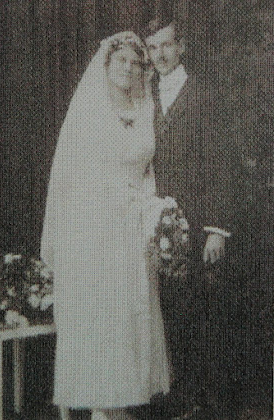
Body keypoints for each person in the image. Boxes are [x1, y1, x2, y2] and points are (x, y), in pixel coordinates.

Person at [41, 32, 170, 420]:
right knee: (102, 315)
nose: (128, 69)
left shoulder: (145, 105)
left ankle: (120, 404)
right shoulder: (90, 109)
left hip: (134, 226)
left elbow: (147, 169)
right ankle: (101, 407)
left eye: (135, 63)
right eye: (121, 62)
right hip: (96, 227)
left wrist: (152, 210)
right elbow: (72, 175)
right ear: (106, 65)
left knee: (131, 314)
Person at [144, 17, 236, 419]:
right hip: (155, 219)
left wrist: (215, 229)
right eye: (152, 48)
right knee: (162, 309)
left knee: (197, 309)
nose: (159, 55)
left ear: (180, 47)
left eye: (166, 45)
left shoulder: (205, 94)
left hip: (198, 221)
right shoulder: (144, 95)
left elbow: (223, 162)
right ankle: (170, 392)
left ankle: (202, 399)